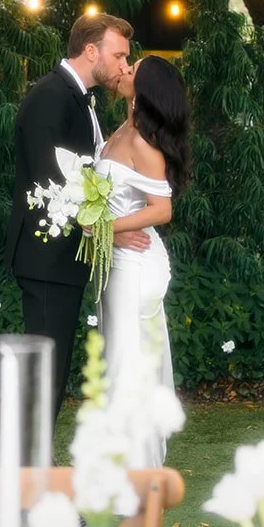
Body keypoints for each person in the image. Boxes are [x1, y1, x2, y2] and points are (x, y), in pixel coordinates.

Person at [7, 12, 133, 419]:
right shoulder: (51, 96)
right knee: (45, 364)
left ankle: (36, 456)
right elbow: (49, 178)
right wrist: (104, 227)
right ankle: (30, 462)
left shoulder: (79, 97)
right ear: (90, 50)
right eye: (118, 55)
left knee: (54, 364)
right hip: (47, 254)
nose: (123, 66)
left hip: (62, 257)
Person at [95, 54, 190, 465]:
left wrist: (104, 229)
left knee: (124, 364)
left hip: (133, 265)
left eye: (133, 69)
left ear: (145, 88)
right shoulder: (122, 128)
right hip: (114, 263)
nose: (125, 69)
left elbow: (162, 209)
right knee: (115, 358)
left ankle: (125, 472)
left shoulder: (143, 144)